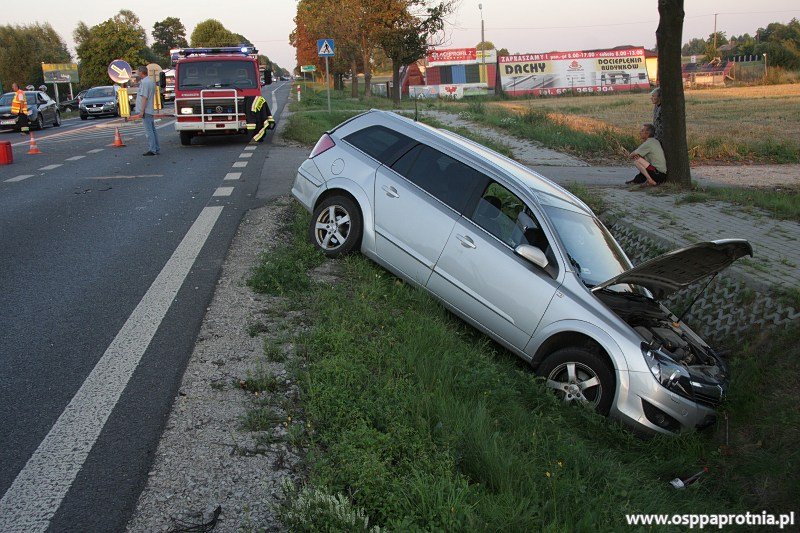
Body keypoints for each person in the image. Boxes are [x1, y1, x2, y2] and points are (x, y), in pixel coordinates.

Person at [129, 66, 159, 156]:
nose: (137, 73)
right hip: (150, 109)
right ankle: (156, 148)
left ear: (141, 72)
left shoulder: (145, 82)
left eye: (138, 72)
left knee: (149, 131)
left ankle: (152, 149)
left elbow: (144, 97)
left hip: (146, 110)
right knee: (152, 130)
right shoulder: (150, 82)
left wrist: (142, 111)